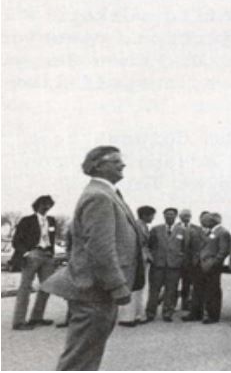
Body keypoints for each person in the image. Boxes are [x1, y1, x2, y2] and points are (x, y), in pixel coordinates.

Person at [42, 145, 144, 370]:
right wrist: (117, 285)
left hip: (97, 289)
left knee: (87, 354)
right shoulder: (99, 196)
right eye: (115, 161)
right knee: (80, 358)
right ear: (98, 166)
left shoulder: (105, 193)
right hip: (95, 291)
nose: (122, 164)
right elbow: (100, 248)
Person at [12, 195, 57, 330]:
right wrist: (26, 253)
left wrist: (52, 254)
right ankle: (19, 322)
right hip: (32, 254)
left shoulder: (51, 220)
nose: (47, 207)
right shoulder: (27, 221)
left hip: (47, 255)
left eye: (49, 204)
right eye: (44, 204)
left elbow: (52, 238)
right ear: (37, 205)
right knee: (25, 288)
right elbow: (16, 241)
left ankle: (36, 317)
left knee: (47, 287)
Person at [146, 207, 187, 322]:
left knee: (171, 290)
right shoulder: (156, 229)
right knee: (154, 290)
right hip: (158, 265)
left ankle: (168, 313)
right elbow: (149, 245)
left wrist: (180, 259)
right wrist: (152, 258)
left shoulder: (182, 231)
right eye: (167, 214)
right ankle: (150, 313)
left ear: (176, 216)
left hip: (174, 266)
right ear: (163, 216)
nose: (169, 216)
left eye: (172, 214)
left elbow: (184, 247)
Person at [118, 205, 156, 326]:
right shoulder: (136, 226)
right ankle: (127, 318)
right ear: (145, 215)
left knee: (139, 287)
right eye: (152, 215)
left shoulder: (142, 226)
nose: (153, 218)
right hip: (135, 260)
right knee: (134, 287)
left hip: (141, 259)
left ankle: (137, 314)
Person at [199, 212, 230, 323]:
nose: (204, 222)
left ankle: (213, 315)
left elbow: (224, 250)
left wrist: (215, 262)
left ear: (213, 221)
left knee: (213, 290)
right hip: (205, 264)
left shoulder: (222, 232)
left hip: (213, 266)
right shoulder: (211, 232)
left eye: (207, 220)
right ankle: (208, 313)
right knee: (208, 290)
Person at [178, 209, 196, 311]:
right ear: (180, 217)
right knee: (173, 284)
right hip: (176, 261)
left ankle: (185, 304)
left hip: (190, 262)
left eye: (188, 215)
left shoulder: (195, 228)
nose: (187, 217)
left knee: (188, 283)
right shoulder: (175, 227)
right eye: (185, 215)